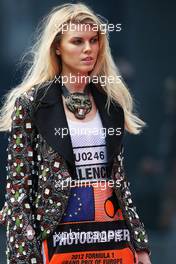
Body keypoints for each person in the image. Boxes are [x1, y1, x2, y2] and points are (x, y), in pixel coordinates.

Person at [0, 3, 152, 264]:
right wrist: (24, 256)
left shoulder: (110, 104)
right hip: (58, 240)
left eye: (94, 41)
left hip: (110, 238)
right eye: (77, 41)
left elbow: (120, 182)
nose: (88, 49)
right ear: (57, 47)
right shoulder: (31, 105)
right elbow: (17, 191)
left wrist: (140, 246)